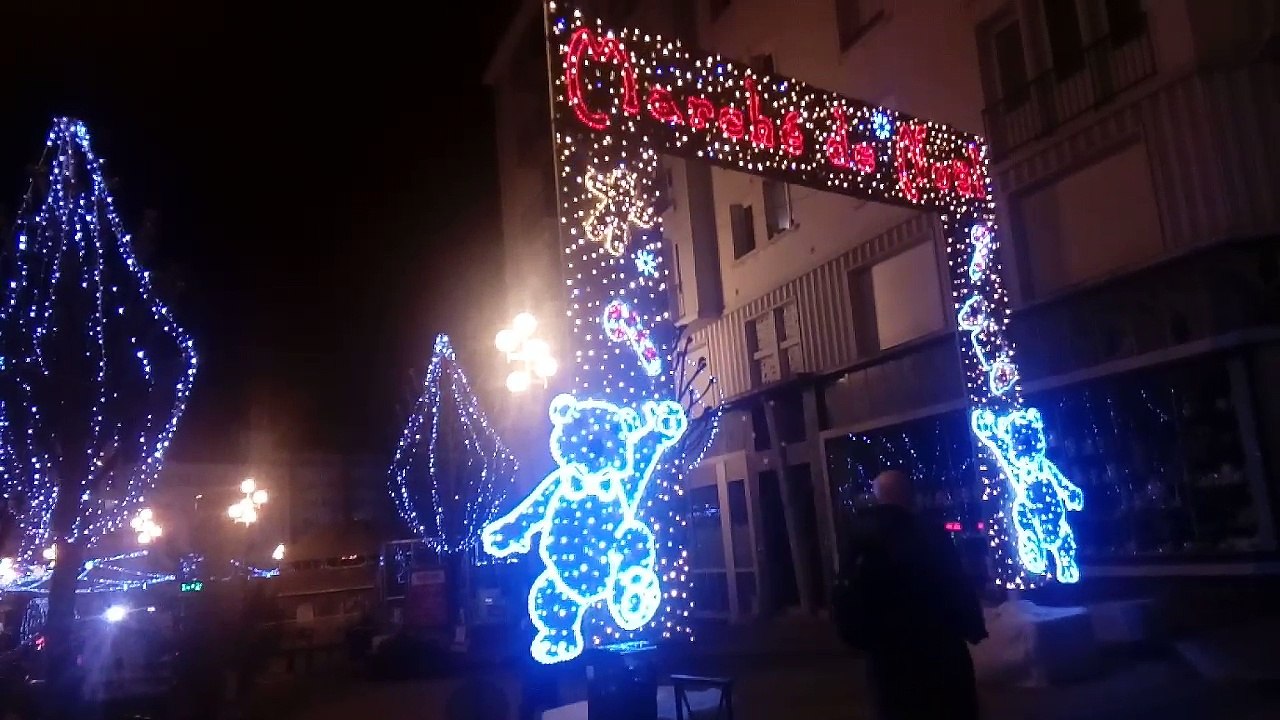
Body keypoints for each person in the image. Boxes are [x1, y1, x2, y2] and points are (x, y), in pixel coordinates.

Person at [835, 469, 987, 720]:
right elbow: (955, 583)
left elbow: (848, 590)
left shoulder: (859, 537)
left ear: (878, 497)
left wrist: (858, 638)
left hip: (888, 654)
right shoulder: (932, 534)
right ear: (909, 496)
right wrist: (972, 626)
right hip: (940, 647)